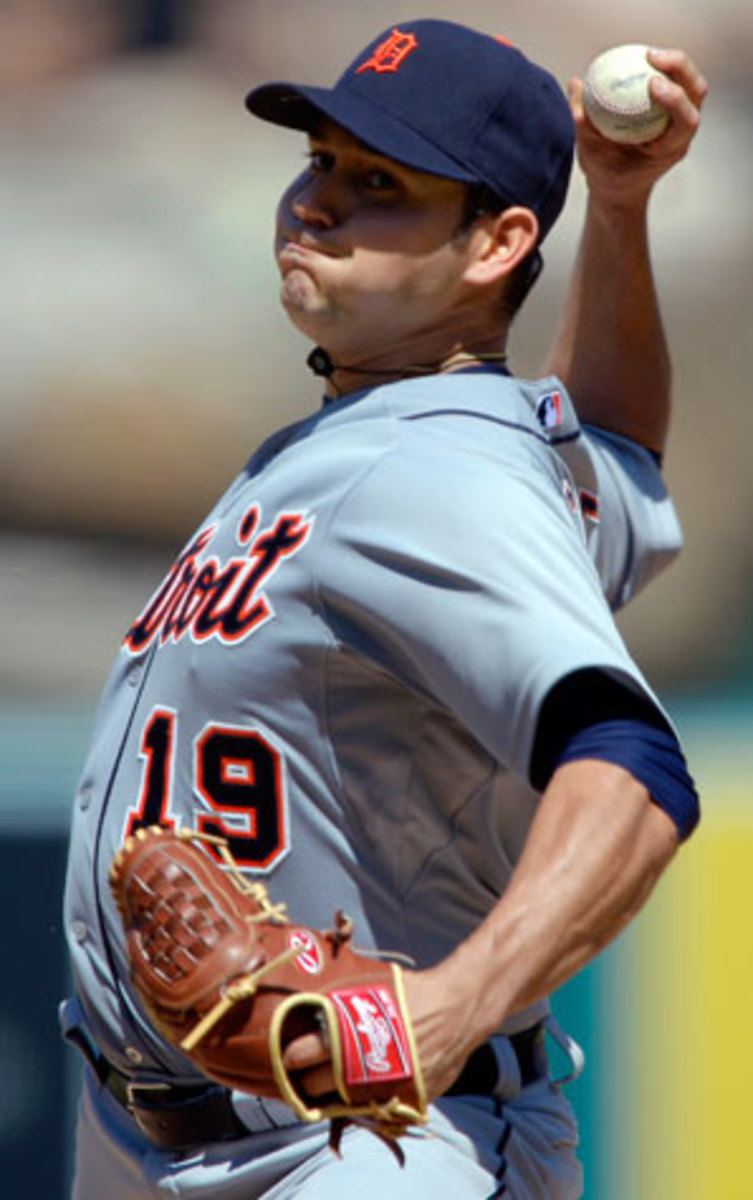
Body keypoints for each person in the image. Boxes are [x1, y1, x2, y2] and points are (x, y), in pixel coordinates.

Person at [60, 18, 707, 1200]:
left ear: (496, 243)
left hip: (369, 1146)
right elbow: (608, 450)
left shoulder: (434, 473)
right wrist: (616, 210)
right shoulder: (430, 444)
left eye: (378, 185)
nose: (316, 204)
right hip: (166, 1132)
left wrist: (454, 1005)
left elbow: (631, 767)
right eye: (317, 163)